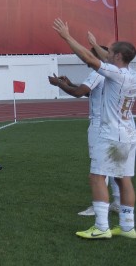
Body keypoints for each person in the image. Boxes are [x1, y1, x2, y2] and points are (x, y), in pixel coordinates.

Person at [52, 18, 136, 239]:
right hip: (127, 133)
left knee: (97, 176)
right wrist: (95, 43)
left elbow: (91, 58)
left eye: (111, 53)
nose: (106, 54)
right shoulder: (130, 74)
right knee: (123, 178)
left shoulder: (115, 73)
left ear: (117, 57)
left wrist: (67, 37)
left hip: (110, 133)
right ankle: (127, 227)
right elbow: (102, 55)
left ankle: (101, 226)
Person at [48, 65, 121, 216]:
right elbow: (90, 93)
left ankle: (99, 206)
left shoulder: (97, 73)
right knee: (114, 165)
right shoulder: (115, 73)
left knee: (99, 166)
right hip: (115, 124)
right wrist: (69, 83)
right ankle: (118, 202)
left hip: (99, 124)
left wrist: (59, 84)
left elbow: (78, 93)